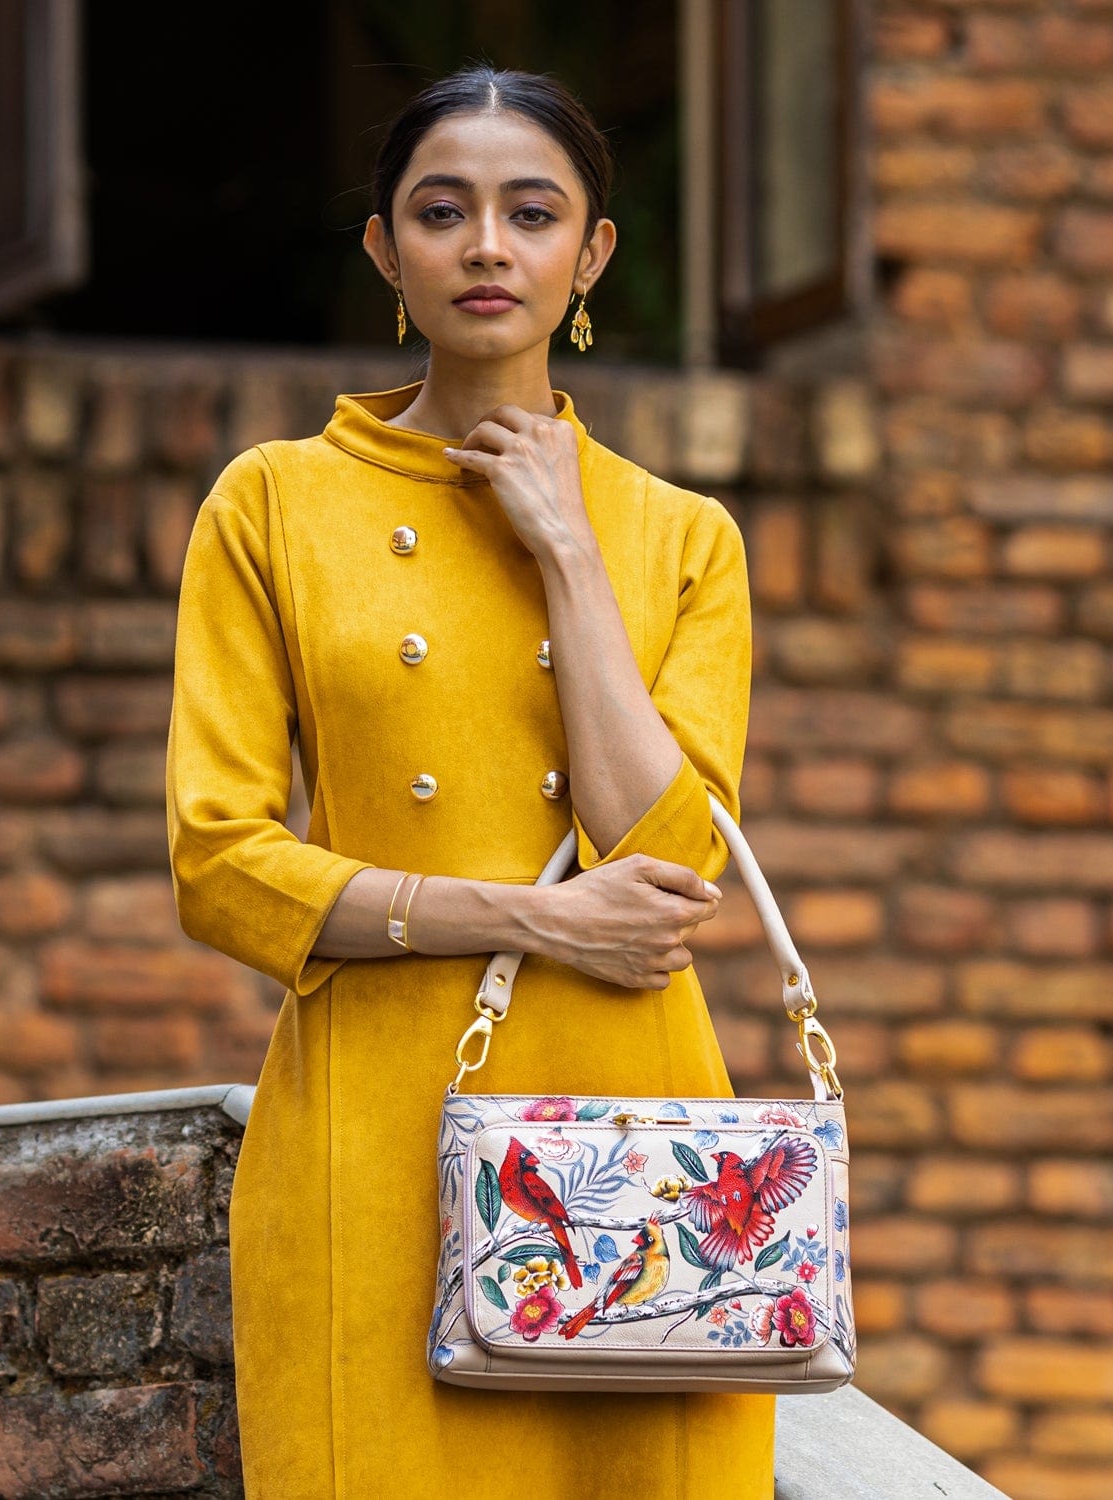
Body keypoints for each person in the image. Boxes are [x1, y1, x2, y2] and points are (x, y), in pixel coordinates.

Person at [165, 63, 766, 1500]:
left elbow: (667, 855)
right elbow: (221, 863)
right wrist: (532, 918)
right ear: (386, 250)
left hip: (636, 1143)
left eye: (531, 212)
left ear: (589, 257)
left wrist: (564, 545)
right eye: (443, 212)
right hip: (379, 1123)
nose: (487, 246)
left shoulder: (680, 537)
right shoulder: (275, 502)